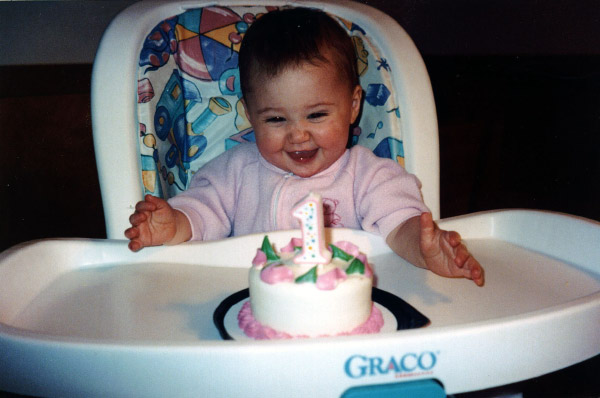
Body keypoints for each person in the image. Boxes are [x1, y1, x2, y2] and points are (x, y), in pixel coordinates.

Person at [125, 8, 484, 286]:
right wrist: (173, 224)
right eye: (276, 120)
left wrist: (423, 249)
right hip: (253, 303)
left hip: (344, 310)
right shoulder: (234, 171)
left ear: (353, 105)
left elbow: (401, 224)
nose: (298, 135)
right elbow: (201, 214)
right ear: (250, 115)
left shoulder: (368, 175)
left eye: (316, 115)